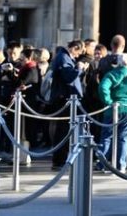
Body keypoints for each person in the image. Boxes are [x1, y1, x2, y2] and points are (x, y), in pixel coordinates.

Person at [49, 40, 86, 170]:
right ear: (74, 48)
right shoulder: (63, 57)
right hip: (64, 98)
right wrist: (79, 68)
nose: (77, 56)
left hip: (67, 97)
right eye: (78, 53)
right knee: (63, 130)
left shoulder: (63, 56)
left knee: (65, 129)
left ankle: (61, 157)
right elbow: (69, 76)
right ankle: (59, 159)